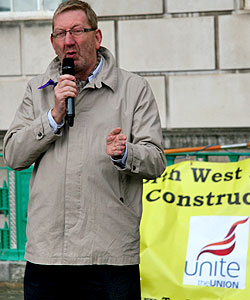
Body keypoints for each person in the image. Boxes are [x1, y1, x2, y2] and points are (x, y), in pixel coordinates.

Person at [3, 1, 166, 299]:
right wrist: (53, 117)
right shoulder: (39, 88)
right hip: (48, 254)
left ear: (97, 36)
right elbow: (13, 155)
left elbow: (156, 160)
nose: (69, 40)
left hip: (109, 253)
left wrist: (125, 153)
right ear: (53, 41)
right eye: (61, 33)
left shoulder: (134, 88)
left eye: (78, 31)